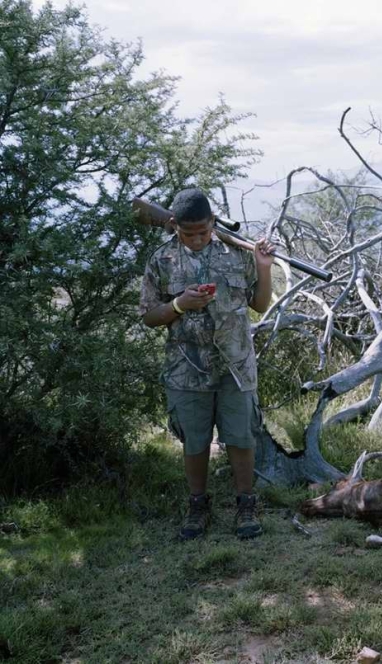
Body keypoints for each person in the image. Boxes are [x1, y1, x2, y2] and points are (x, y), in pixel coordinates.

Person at [139, 188, 275, 540]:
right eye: (189, 233)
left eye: (203, 231)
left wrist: (263, 267)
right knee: (195, 441)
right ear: (174, 226)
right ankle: (197, 505)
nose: (197, 239)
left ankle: (247, 503)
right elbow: (149, 316)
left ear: (213, 223)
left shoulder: (237, 252)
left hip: (235, 364)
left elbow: (259, 305)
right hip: (186, 367)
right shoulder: (161, 259)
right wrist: (180, 305)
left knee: (242, 437)